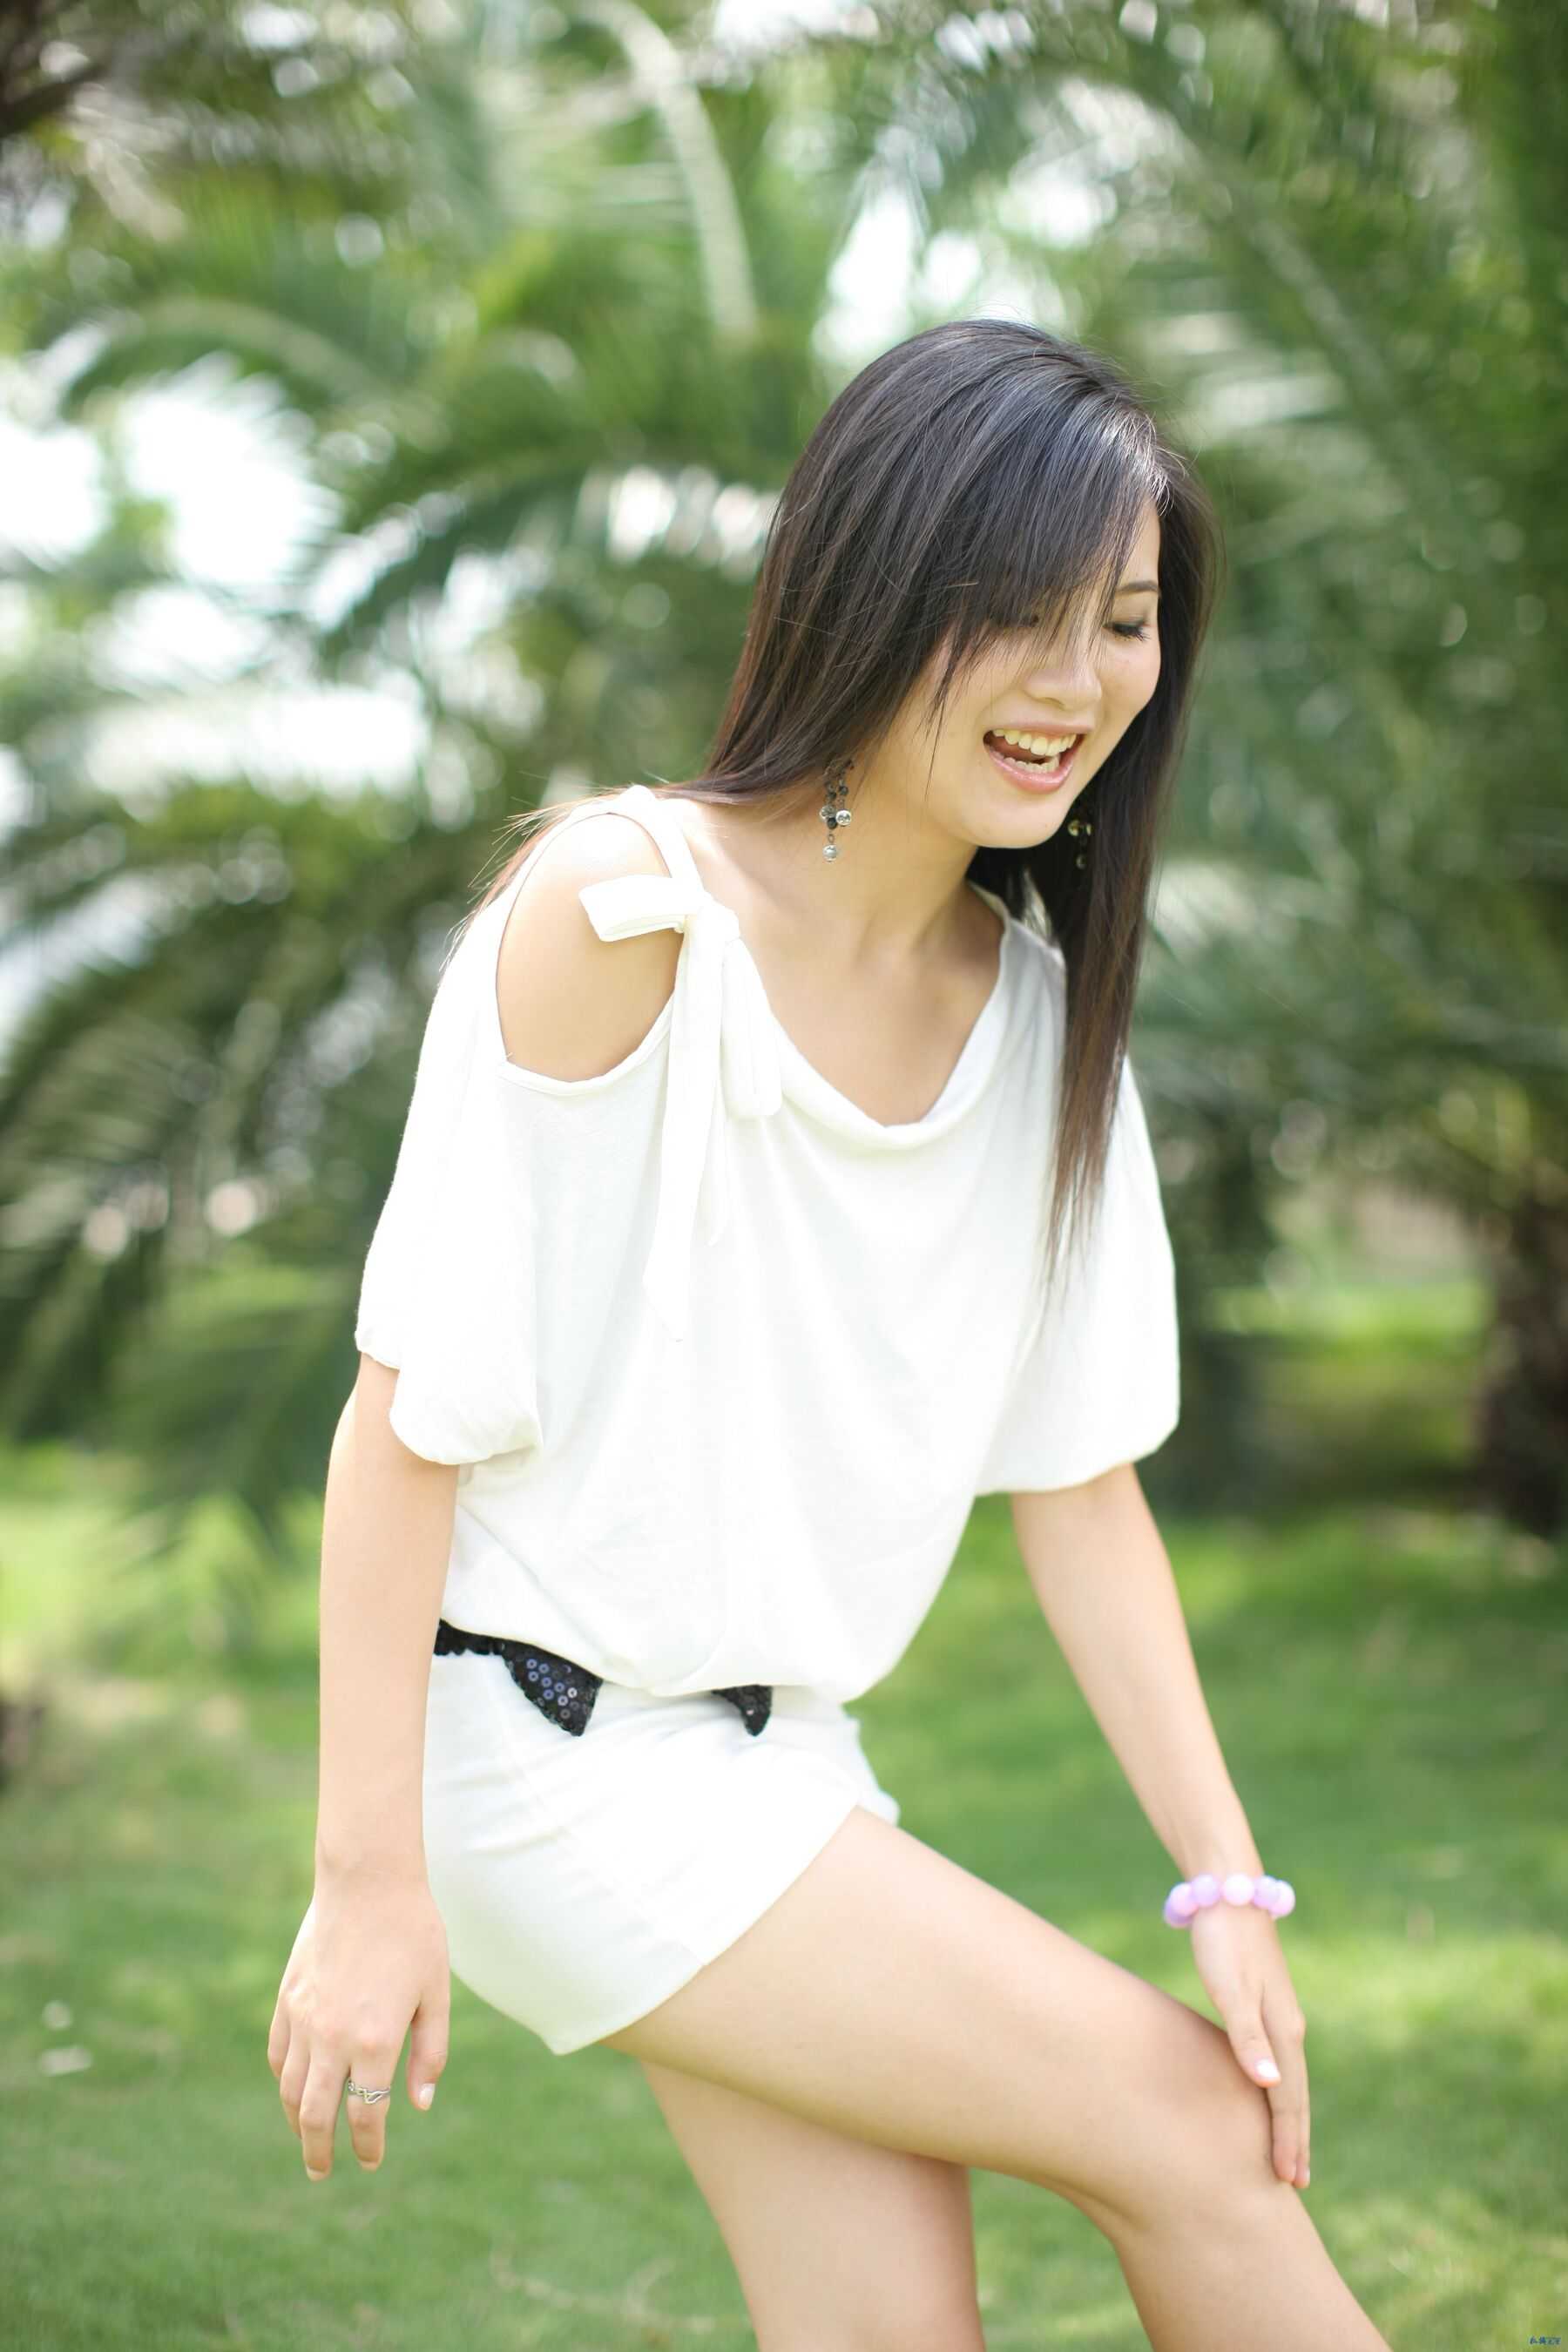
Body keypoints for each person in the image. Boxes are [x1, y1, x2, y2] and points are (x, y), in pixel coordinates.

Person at [268, 318, 1393, 2351]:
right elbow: (406, 1423)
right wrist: (364, 1887)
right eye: (1020, 613)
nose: (1077, 683)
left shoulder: (1037, 1021)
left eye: (1125, 622)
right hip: (542, 1751)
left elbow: (1081, 1491)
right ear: (875, 582)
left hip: (781, 1760)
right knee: (1189, 2132)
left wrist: (1226, 1883)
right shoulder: (625, 916)